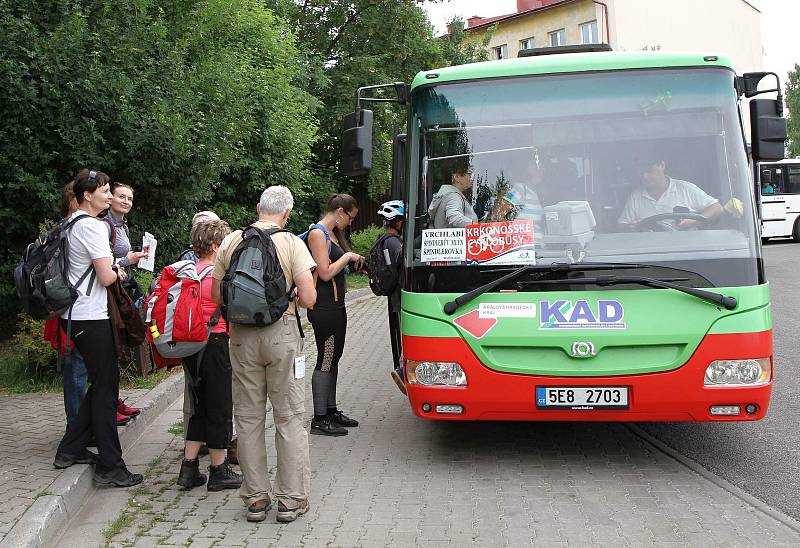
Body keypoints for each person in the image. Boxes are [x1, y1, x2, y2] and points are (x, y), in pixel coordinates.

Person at [211, 185, 316, 523]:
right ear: (287, 214)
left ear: (259, 208)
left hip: (241, 338)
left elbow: (217, 296)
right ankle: (290, 500)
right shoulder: (291, 243)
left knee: (249, 419)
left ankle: (255, 499)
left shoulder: (231, 241)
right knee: (289, 418)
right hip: (282, 335)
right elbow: (310, 298)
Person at [53, 169, 143, 488]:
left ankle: (70, 448)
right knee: (106, 387)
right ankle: (110, 465)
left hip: (71, 315)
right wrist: (118, 272)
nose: (109, 195)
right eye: (104, 191)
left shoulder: (68, 223)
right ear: (87, 195)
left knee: (102, 381)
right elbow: (105, 277)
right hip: (90, 315)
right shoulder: (91, 226)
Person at [176, 219, 242, 492]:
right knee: (219, 406)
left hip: (189, 346)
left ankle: (188, 468)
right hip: (214, 343)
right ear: (216, 246)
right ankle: (218, 469)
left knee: (200, 405)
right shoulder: (216, 277)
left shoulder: (187, 273)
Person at [305, 194, 365, 437]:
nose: (350, 223)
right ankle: (319, 418)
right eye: (350, 217)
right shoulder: (317, 233)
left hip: (337, 306)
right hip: (323, 308)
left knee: (334, 356)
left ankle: (330, 410)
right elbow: (325, 272)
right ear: (340, 211)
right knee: (326, 357)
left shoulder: (332, 234)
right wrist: (348, 256)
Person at [43, 181, 88, 427]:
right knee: (76, 369)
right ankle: (76, 428)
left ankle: (80, 425)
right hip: (71, 308)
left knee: (79, 369)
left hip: (69, 306)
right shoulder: (69, 230)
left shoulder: (67, 229)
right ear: (75, 200)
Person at [104, 182, 145, 425]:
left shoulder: (122, 225)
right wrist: (126, 259)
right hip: (109, 291)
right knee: (114, 345)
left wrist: (132, 259)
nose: (126, 202)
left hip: (122, 288)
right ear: (110, 197)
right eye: (121, 196)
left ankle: (114, 400)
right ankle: (109, 404)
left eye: (129, 198)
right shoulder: (105, 224)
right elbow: (104, 260)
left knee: (119, 346)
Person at [618, 157, 723, 229]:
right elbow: (622, 225)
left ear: (662, 165)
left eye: (650, 171)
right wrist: (631, 227)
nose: (645, 177)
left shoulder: (685, 188)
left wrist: (692, 222)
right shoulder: (635, 196)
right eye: (641, 173)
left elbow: (717, 208)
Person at [376, 200, 406, 395]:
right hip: (399, 297)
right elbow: (399, 269)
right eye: (402, 220)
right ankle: (402, 371)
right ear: (396, 221)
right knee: (404, 335)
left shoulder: (382, 239)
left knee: (400, 335)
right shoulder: (394, 242)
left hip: (393, 298)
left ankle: (402, 368)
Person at [428, 161, 478, 229]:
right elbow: (454, 218)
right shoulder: (453, 196)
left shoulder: (448, 195)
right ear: (456, 177)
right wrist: (478, 226)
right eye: (469, 174)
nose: (471, 178)